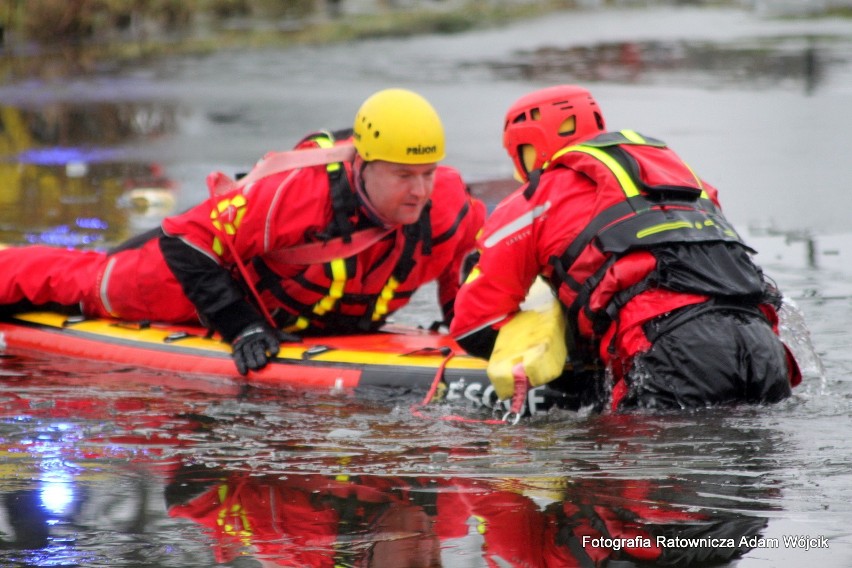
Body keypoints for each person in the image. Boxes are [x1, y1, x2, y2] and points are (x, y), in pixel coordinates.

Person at [0, 88, 485, 376]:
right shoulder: (294, 193)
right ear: (363, 165)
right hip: (216, 284)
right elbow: (184, 241)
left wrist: (472, 338)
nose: (421, 190)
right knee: (93, 284)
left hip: (312, 319)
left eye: (427, 173)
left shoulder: (449, 200)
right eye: (404, 176)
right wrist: (242, 325)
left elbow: (464, 271)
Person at [450, 84, 801, 411]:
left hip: (672, 351)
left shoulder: (533, 200)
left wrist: (565, 359)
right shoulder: (685, 180)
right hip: (762, 346)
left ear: (529, 146)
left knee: (640, 475)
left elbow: (474, 323)